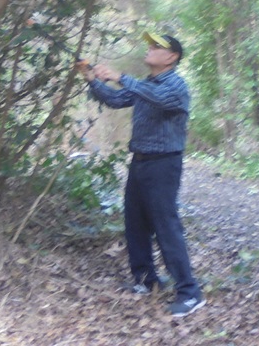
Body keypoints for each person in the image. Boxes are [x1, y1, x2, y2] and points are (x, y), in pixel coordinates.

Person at [77, 32, 205, 318]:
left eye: (157, 46)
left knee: (166, 226)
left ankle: (189, 292)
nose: (150, 49)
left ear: (171, 57)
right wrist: (92, 80)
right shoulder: (146, 84)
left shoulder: (176, 86)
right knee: (135, 223)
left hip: (164, 164)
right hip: (140, 162)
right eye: (150, 45)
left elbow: (157, 98)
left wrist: (120, 76)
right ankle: (146, 280)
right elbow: (116, 99)